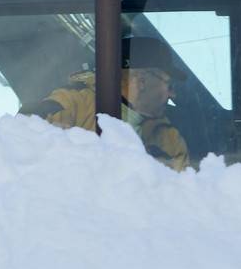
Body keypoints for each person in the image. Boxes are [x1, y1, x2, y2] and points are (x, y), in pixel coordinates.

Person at [27, 35, 191, 170]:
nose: (173, 95)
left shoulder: (169, 138)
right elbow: (21, 138)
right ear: (141, 81)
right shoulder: (72, 103)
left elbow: (186, 195)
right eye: (169, 84)